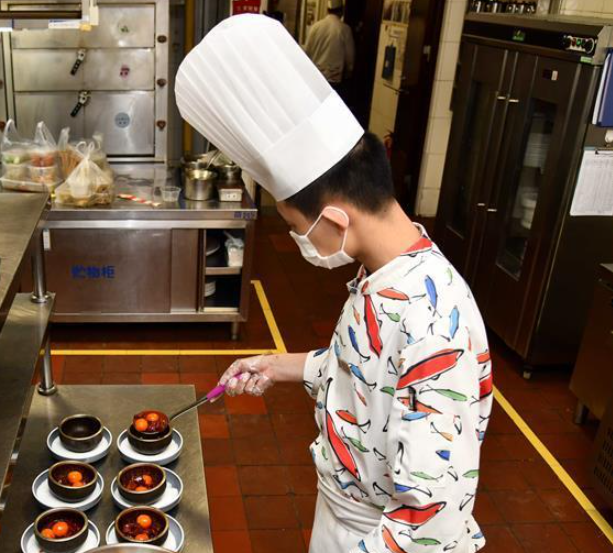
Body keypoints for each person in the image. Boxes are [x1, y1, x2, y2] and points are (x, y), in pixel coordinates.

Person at [176, 15, 491, 553]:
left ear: (336, 220)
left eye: (296, 226)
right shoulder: (383, 272)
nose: (298, 240)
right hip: (343, 513)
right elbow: (369, 372)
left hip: (379, 536)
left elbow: (428, 525)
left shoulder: (435, 324)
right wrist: (278, 366)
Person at [303, 0, 355, 96]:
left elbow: (306, 53)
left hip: (315, 78)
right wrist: (348, 74)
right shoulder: (344, 29)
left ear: (327, 10)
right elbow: (350, 60)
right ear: (341, 11)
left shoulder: (315, 27)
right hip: (334, 81)